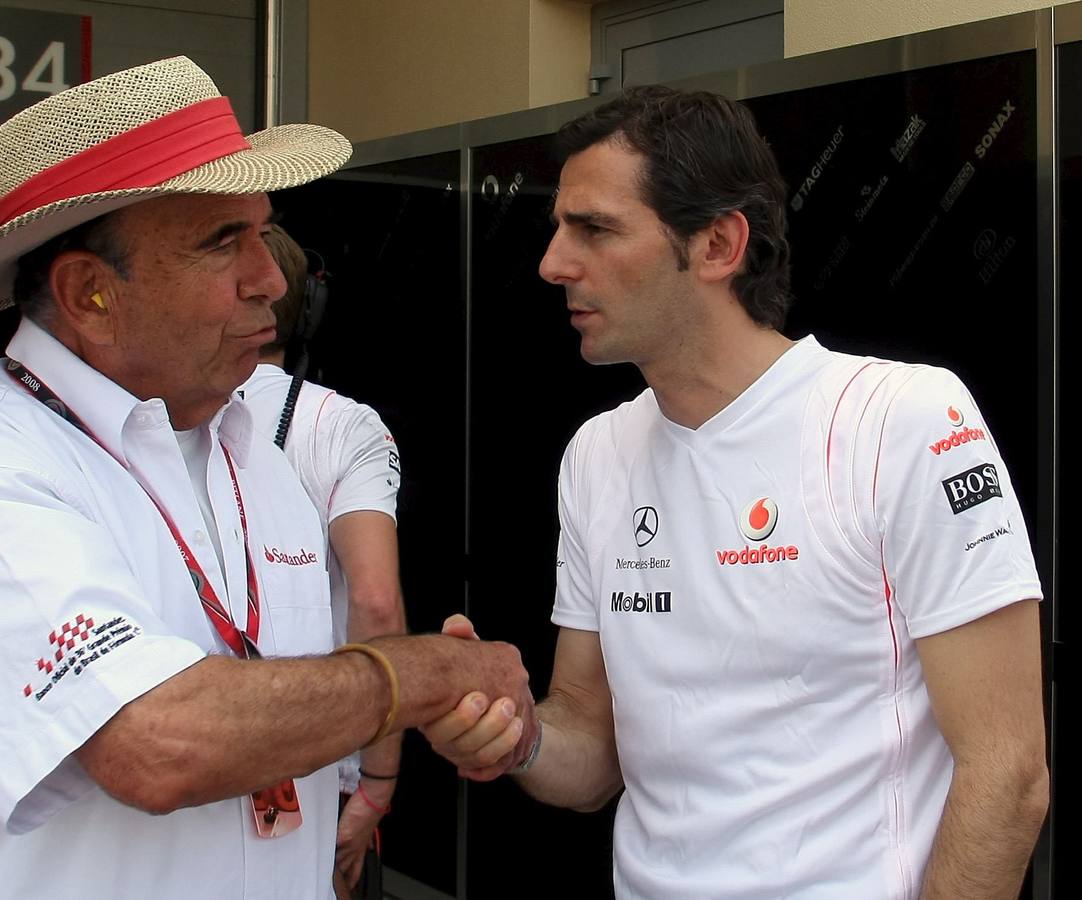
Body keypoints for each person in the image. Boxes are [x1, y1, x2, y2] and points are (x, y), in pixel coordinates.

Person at [0, 57, 533, 900]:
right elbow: (155, 744)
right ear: (89, 293)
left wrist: (438, 709)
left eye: (261, 232)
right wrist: (424, 678)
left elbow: (283, 700)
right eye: (221, 243)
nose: (273, 282)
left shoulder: (249, 448)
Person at [423, 85, 1049, 898]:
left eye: (595, 228)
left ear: (718, 244)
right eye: (556, 227)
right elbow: (592, 753)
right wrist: (517, 733)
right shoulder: (597, 454)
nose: (552, 263)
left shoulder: (901, 420)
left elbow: (1009, 775)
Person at [243, 224, 406, 895]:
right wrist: (379, 781)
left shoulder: (150, 413)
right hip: (320, 769)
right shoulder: (342, 425)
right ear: (305, 310)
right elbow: (376, 601)